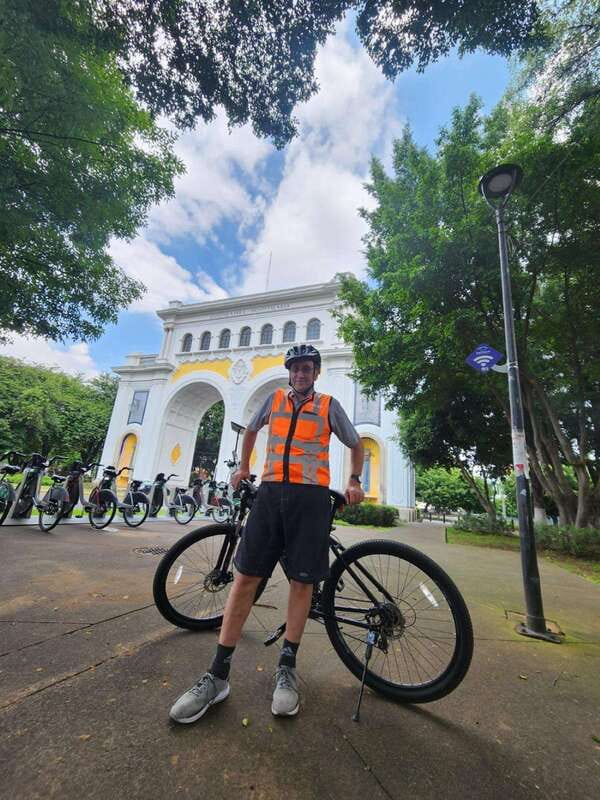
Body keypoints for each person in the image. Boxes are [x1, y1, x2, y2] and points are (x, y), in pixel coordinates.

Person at [169, 343, 364, 724]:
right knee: (244, 579)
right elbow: (251, 430)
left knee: (302, 583)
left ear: (316, 372)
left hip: (311, 499)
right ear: (289, 372)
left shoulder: (328, 406)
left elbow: (356, 444)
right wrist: (243, 466)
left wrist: (354, 479)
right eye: (296, 368)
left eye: (307, 368)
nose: (301, 374)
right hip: (271, 494)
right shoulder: (274, 400)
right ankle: (217, 675)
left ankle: (287, 668)